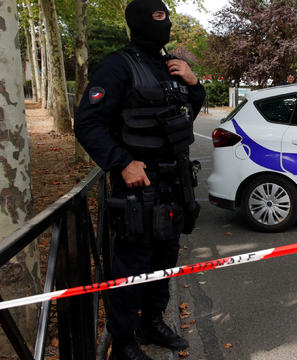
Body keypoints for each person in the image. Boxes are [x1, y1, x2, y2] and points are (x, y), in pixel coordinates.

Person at [74, 0, 205, 359]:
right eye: (159, 17)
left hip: (173, 185)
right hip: (139, 187)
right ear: (140, 22)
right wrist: (122, 163)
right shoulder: (117, 67)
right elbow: (87, 123)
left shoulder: (170, 66)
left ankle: (153, 322)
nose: (166, 23)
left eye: (167, 16)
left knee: (164, 260)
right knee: (132, 266)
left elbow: (184, 116)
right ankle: (124, 340)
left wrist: (194, 84)